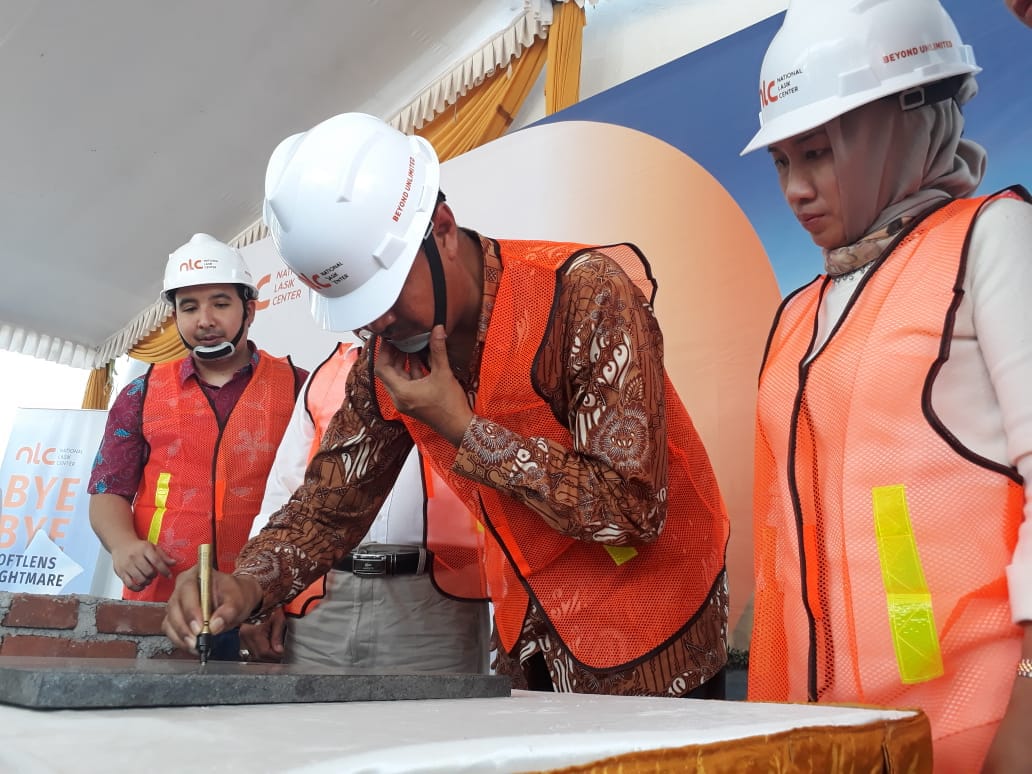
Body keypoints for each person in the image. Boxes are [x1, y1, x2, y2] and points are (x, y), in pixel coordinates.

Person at [164, 112, 730, 697]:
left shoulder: (582, 294)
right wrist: (246, 585)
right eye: (357, 307)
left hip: (654, 630)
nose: (377, 320)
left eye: (382, 293)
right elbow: (331, 505)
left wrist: (463, 429)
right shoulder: (386, 350)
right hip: (532, 631)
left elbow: (631, 508)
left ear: (441, 226)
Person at [740, 1, 1032, 770]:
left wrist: (1029, 716)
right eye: (781, 162)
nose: (797, 189)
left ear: (905, 121)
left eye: (820, 153)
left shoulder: (990, 240)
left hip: (977, 729)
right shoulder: (801, 311)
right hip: (832, 743)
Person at [89, 233, 307, 659]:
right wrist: (123, 545)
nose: (204, 319)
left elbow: (319, 500)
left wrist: (291, 592)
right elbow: (107, 490)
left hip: (265, 604)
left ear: (250, 308)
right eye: (189, 307)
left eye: (220, 303)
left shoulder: (300, 387)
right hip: (160, 602)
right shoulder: (141, 392)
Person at [239, 340, 491, 671]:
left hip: (436, 601)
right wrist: (263, 590)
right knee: (313, 721)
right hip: (324, 601)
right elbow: (283, 491)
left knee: (430, 722)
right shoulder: (324, 376)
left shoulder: (474, 368)